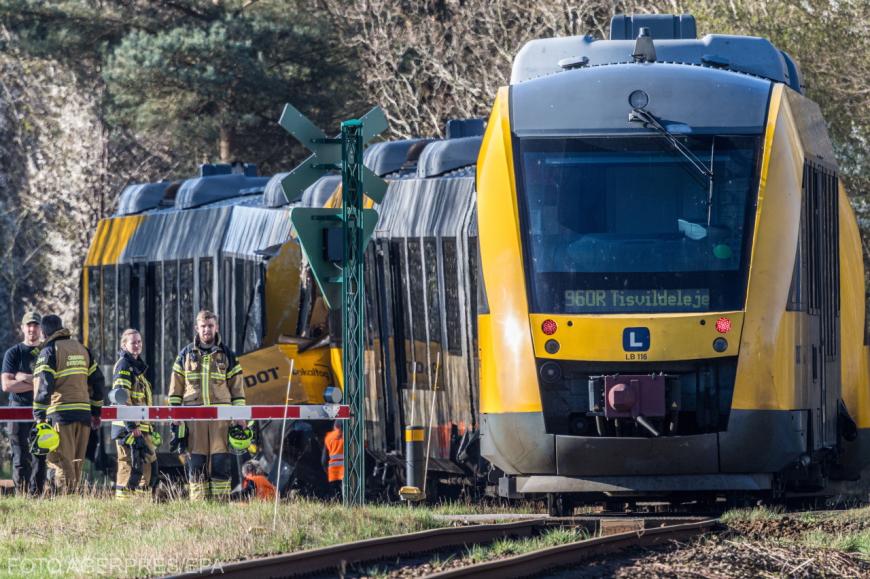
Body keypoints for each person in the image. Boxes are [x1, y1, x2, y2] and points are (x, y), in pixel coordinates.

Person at [169, 310, 245, 500]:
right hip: (194, 419)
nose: (207, 330)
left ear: (216, 327)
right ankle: (199, 506)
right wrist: (175, 416)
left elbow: (237, 389)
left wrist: (240, 414)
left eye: (210, 326)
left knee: (220, 462)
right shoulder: (185, 354)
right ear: (197, 328)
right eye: (203, 326)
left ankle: (220, 505)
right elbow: (175, 388)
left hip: (221, 418)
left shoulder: (227, 354)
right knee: (196, 463)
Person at [32, 314, 104, 493]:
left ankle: (66, 503)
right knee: (76, 463)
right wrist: (95, 411)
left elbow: (44, 385)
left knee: (61, 462)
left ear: (44, 331)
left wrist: (39, 417)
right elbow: (98, 381)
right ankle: (74, 504)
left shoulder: (49, 351)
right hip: (84, 415)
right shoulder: (82, 349)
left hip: (61, 414)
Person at [1, 312, 47, 495]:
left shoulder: (47, 351)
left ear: (41, 328)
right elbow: (6, 385)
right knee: (20, 456)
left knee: (40, 456)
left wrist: (23, 377)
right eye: (29, 325)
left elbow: (54, 383)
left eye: (35, 325)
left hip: (41, 411)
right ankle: (22, 495)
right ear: (22, 328)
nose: (32, 329)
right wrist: (38, 381)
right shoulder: (13, 353)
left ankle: (37, 496)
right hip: (18, 410)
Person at [110, 329, 156, 499]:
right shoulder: (124, 365)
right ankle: (123, 507)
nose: (137, 345)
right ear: (124, 345)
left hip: (140, 428)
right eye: (133, 342)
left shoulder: (137, 367)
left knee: (145, 468)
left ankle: (140, 507)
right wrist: (132, 427)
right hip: (128, 429)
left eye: (139, 342)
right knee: (129, 468)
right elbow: (121, 399)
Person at [322, 421, 344, 499]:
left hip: (333, 471)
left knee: (336, 495)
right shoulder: (349, 436)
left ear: (335, 427)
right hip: (347, 470)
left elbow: (324, 459)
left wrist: (326, 470)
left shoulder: (329, 437)